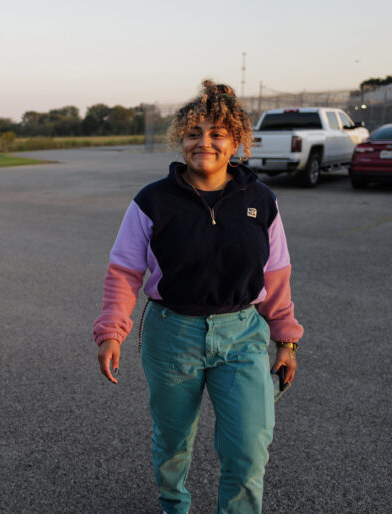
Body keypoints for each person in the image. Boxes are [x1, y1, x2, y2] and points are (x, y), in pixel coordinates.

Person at [92, 80, 303, 514]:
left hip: (242, 335)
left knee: (249, 446)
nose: (203, 142)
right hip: (172, 335)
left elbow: (276, 273)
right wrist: (112, 330)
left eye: (216, 134)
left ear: (237, 142)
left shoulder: (261, 200)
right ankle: (174, 504)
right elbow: (125, 271)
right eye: (193, 133)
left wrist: (286, 338)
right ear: (180, 140)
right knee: (173, 440)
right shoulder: (152, 201)